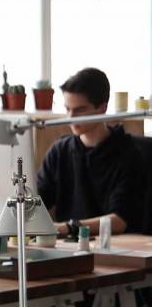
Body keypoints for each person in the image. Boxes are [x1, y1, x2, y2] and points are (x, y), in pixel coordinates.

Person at [37, 67, 142, 238]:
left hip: (115, 247)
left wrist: (68, 227)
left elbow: (119, 220)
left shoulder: (129, 154)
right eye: (67, 109)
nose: (71, 117)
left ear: (102, 108)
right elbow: (36, 202)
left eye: (80, 110)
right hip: (68, 247)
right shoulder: (59, 151)